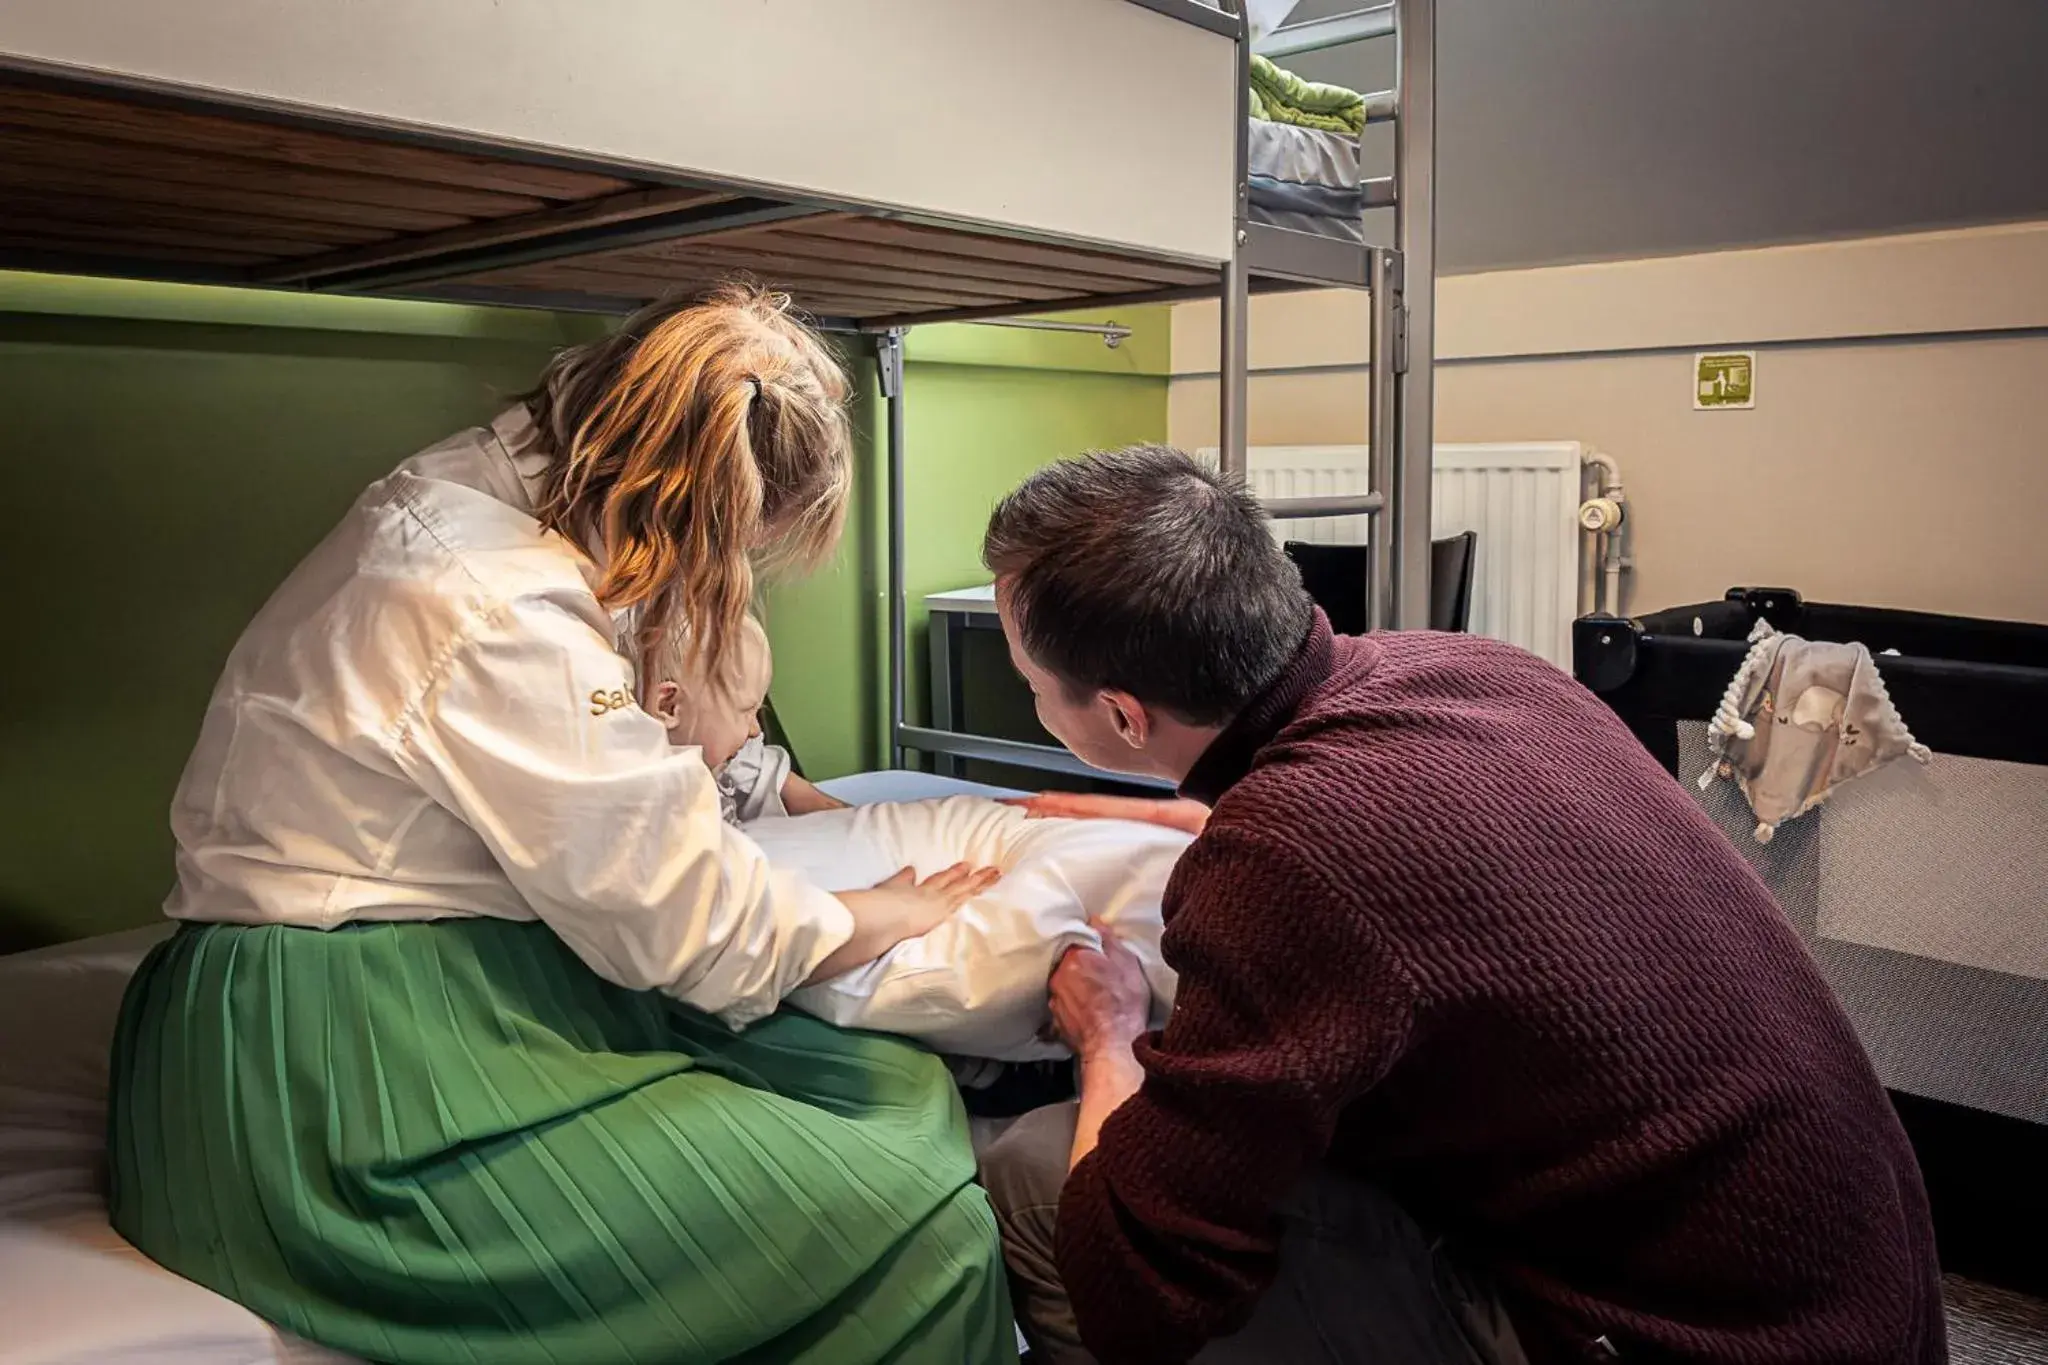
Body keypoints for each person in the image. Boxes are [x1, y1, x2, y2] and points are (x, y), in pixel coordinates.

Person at [107, 286, 1015, 1365]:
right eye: (737, 549)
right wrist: (878, 907)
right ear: (699, 505)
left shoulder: (529, 493)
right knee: (925, 1228)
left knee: (897, 1088)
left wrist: (786, 792)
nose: (726, 580)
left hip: (479, 978)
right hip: (339, 1066)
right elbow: (695, 928)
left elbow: (657, 756)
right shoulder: (500, 605)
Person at [974, 445, 1945, 1365]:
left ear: (1121, 715)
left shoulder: (1283, 859)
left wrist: (1108, 1037)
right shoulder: (1471, 671)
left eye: (1027, 687)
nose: (1028, 703)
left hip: (1688, 1340)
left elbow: (1136, 1282)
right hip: (1856, 1293)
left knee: (1035, 1176)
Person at [640, 608, 846, 821]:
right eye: (746, 713)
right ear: (669, 706)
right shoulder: (645, 806)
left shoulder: (718, 770)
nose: (755, 731)